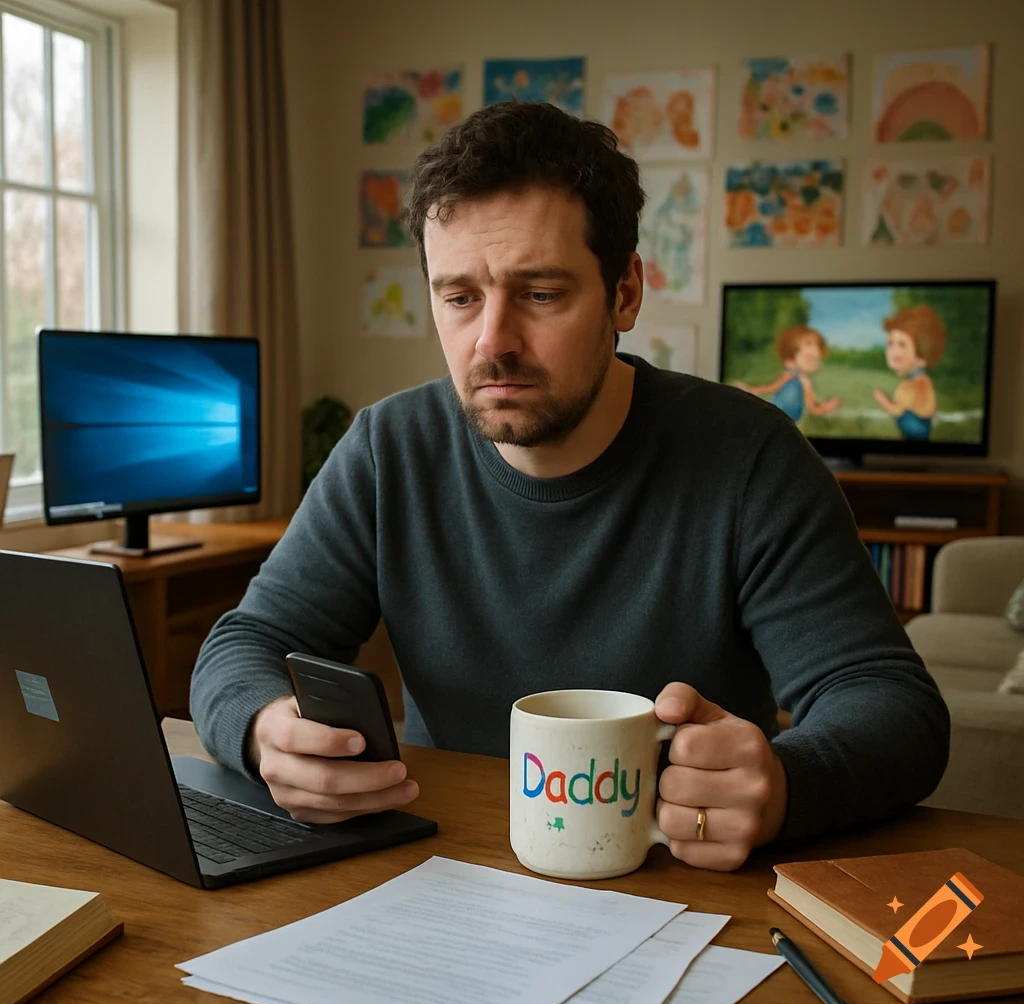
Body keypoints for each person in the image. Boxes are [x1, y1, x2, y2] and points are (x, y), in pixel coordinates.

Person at [191, 102, 949, 873]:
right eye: (460, 297)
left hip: (680, 885)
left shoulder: (749, 457)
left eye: (541, 293)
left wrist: (786, 785)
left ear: (625, 293)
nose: (492, 342)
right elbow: (244, 646)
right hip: (441, 874)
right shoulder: (389, 450)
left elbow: (891, 704)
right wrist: (263, 731)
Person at [734, 325, 841, 421]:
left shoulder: (805, 381)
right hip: (777, 415)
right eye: (809, 358)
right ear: (791, 358)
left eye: (815, 359)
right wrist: (752, 390)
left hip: (786, 420)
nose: (815, 361)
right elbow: (772, 387)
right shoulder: (791, 375)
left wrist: (826, 407)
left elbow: (812, 408)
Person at [872, 306, 946, 440]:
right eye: (890, 343)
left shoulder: (912, 386)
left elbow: (896, 410)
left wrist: (882, 399)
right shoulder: (924, 380)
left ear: (922, 356)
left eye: (902, 345)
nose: (893, 351)